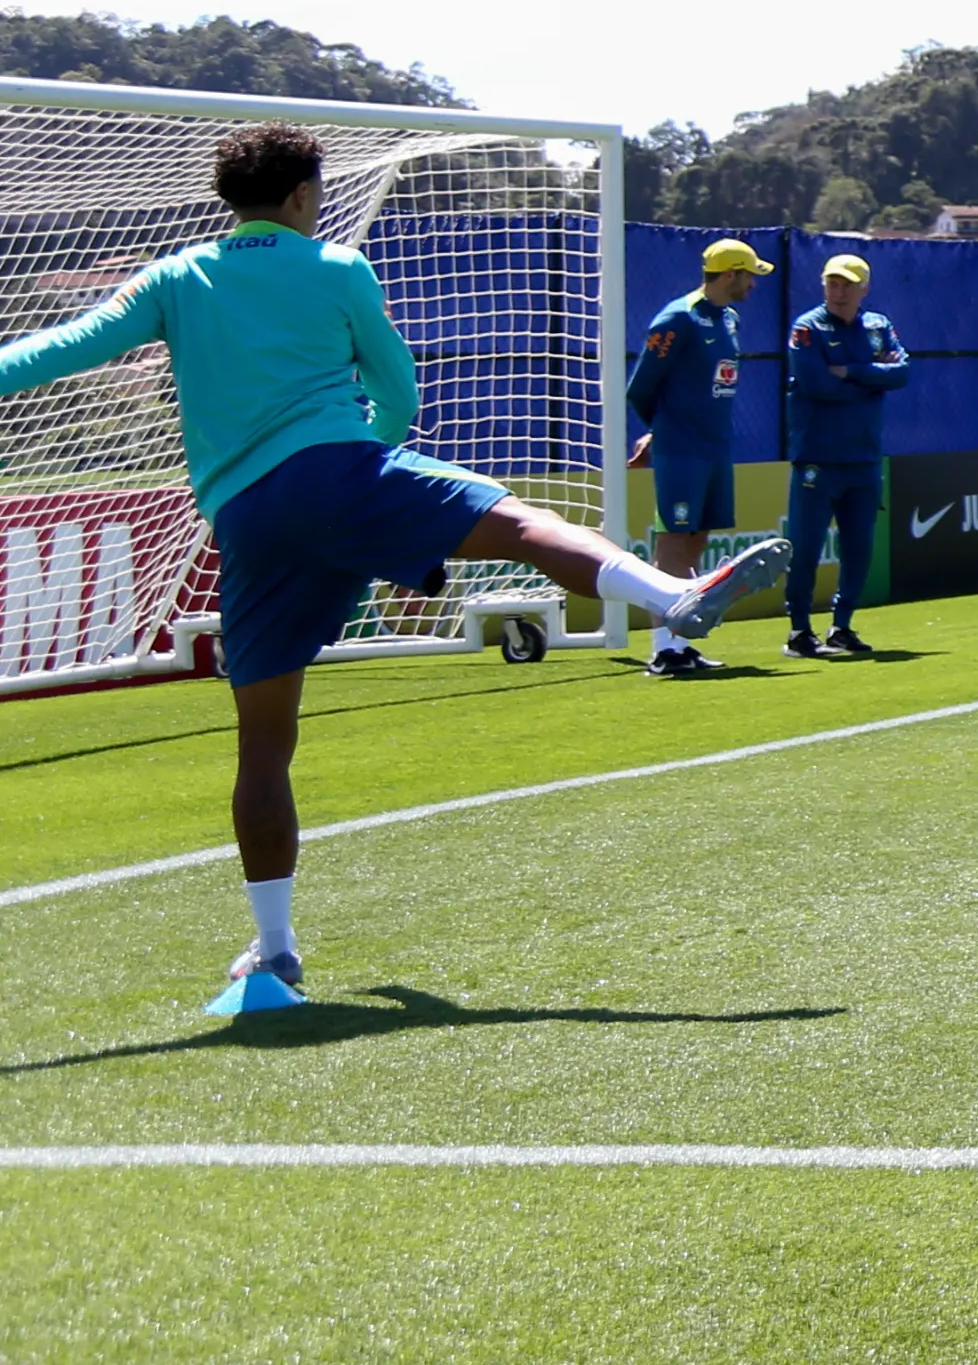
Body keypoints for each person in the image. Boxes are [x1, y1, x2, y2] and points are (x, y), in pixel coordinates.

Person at [0, 125, 784, 1001]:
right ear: (304, 194)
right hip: (347, 471)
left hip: (249, 520)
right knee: (521, 522)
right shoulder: (337, 268)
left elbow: (61, 349)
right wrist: (363, 484)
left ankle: (274, 949)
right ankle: (670, 596)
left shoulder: (178, 277)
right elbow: (400, 392)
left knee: (264, 744)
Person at [623, 235, 767, 676]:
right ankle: (662, 648)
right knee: (672, 541)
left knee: (698, 539)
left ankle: (683, 641)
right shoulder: (676, 320)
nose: (753, 285)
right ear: (730, 275)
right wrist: (661, 432)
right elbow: (641, 387)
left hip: (714, 448)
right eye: (749, 276)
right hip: (681, 449)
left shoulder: (730, 319)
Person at [777, 253, 907, 658]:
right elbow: (817, 384)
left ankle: (842, 625)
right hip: (818, 457)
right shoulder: (808, 327)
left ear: (864, 288)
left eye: (847, 284)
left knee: (859, 545)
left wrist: (851, 371)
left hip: (864, 458)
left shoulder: (878, 325)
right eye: (832, 283)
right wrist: (872, 378)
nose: (838, 291)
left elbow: (901, 372)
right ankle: (800, 629)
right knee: (806, 544)